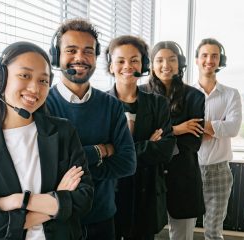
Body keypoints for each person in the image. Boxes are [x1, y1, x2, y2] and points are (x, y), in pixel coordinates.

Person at [0, 41, 93, 240]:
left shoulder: (63, 131)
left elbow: (84, 199)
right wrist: (57, 200)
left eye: (43, 81)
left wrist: (16, 200)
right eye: (25, 75)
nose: (34, 88)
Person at [46, 19, 136, 240]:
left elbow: (127, 163)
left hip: (102, 220)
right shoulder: (42, 105)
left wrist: (71, 169)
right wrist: (101, 151)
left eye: (88, 51)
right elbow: (46, 167)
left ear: (96, 58)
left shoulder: (111, 105)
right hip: (57, 221)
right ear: (57, 56)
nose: (80, 57)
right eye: (71, 50)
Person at [106, 35, 176, 240]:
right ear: (111, 67)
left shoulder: (158, 104)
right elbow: (96, 154)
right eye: (120, 61)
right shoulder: (100, 104)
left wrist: (116, 150)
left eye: (134, 60)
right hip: (112, 196)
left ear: (143, 65)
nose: (127, 66)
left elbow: (166, 149)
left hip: (147, 196)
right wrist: (147, 145)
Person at [140, 41, 205, 240]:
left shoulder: (195, 96)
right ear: (151, 64)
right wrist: (177, 129)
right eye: (159, 60)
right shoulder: (140, 94)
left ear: (180, 64)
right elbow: (138, 140)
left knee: (182, 236)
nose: (165, 65)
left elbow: (192, 143)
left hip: (183, 176)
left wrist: (158, 139)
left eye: (172, 59)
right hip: (147, 177)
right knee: (142, 232)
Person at [194, 38, 242, 240]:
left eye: (214, 55)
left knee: (213, 231)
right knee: (180, 226)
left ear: (220, 60)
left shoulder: (231, 94)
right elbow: (178, 130)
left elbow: (233, 128)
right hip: (189, 169)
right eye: (204, 55)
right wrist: (216, 125)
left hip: (219, 170)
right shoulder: (186, 93)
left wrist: (199, 125)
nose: (209, 60)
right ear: (197, 60)